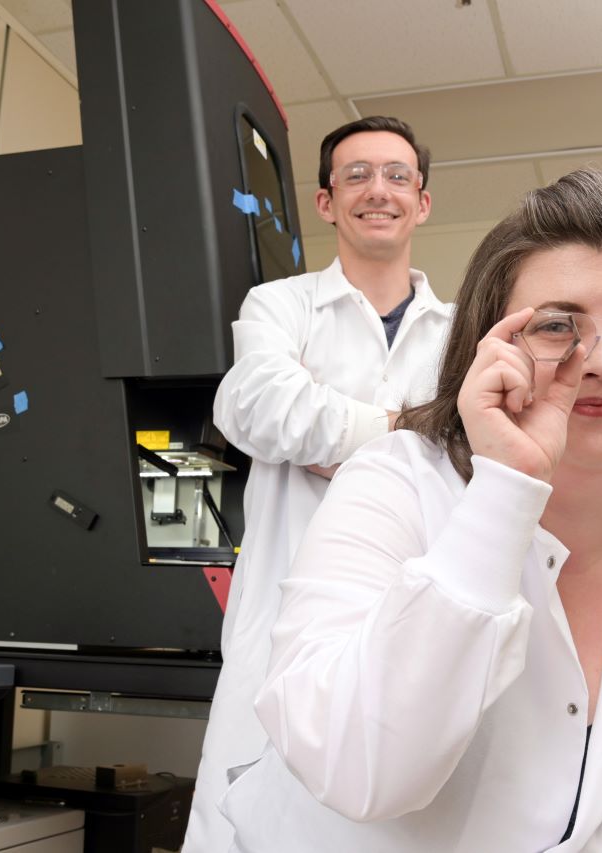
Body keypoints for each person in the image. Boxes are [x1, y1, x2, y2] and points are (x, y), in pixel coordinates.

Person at [219, 169, 602, 851]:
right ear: (489, 351)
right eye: (557, 326)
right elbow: (359, 769)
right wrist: (506, 490)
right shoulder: (392, 486)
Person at [184, 116, 452, 853]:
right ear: (327, 201)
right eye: (357, 175)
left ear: (422, 203)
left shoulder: (462, 329)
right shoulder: (280, 304)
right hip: (283, 609)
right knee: (254, 815)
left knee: (405, 814)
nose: (379, 190)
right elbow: (257, 407)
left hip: (414, 607)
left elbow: (465, 449)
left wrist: (328, 435)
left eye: (398, 175)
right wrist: (406, 430)